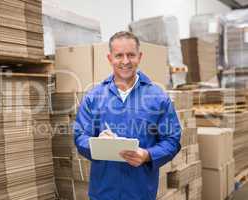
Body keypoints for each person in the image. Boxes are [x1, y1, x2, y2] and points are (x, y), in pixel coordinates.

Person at [74, 31, 181, 200]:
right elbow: (80, 136)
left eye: (131, 55)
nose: (125, 61)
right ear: (110, 58)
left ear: (140, 56)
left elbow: (172, 141)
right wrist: (96, 144)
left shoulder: (157, 98)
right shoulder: (94, 97)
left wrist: (147, 155)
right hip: (103, 192)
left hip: (140, 192)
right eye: (119, 55)